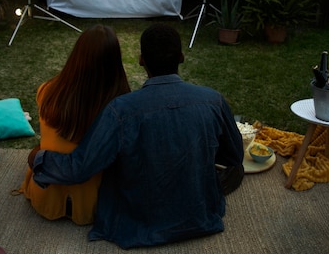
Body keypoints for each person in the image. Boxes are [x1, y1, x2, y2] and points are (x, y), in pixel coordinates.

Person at [28, 23, 244, 249]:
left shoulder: (120, 111)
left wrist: (38, 158)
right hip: (201, 216)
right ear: (181, 57)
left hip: (138, 226)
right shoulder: (213, 101)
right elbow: (234, 157)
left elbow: (80, 167)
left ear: (141, 60)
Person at [19, 24, 131, 225]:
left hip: (45, 198)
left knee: (41, 149)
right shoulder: (120, 105)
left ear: (76, 55)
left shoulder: (46, 91)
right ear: (115, 61)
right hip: (94, 204)